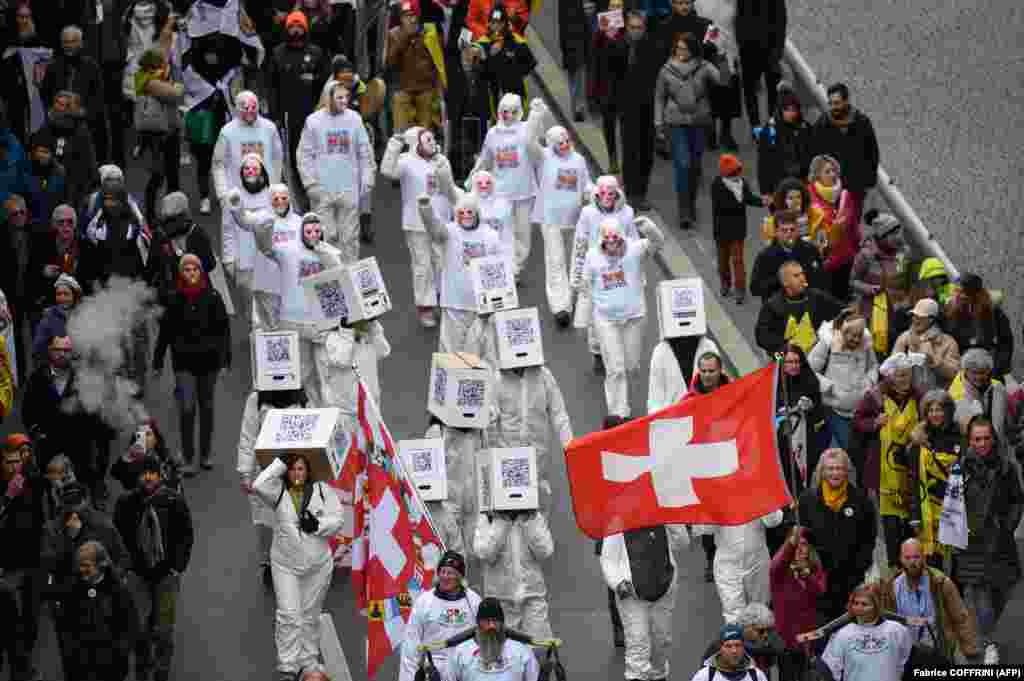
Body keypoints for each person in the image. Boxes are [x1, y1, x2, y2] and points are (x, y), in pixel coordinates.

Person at [253, 454, 345, 681]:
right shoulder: (278, 492)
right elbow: (258, 485)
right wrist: (279, 463)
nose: (296, 473)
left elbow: (338, 519)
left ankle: (307, 661)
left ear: (308, 471)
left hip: (318, 566)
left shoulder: (323, 490)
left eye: (301, 469)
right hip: (286, 566)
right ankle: (287, 666)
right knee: (289, 615)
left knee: (309, 616)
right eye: (292, 469)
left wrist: (318, 525)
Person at [948, 416, 1023, 665]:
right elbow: (952, 506)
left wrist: (1008, 526)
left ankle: (990, 632)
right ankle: (989, 642)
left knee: (1003, 591)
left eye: (986, 438)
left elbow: (1017, 500)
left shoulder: (1006, 467)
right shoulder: (959, 468)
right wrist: (956, 539)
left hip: (1001, 543)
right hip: (972, 545)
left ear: (993, 438)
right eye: (976, 439)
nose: (981, 443)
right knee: (981, 597)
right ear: (969, 440)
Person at [576, 217, 665, 424]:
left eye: (616, 240)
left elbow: (659, 243)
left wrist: (649, 228)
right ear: (602, 241)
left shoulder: (635, 250)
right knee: (615, 368)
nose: (612, 245)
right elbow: (585, 289)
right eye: (608, 241)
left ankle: (621, 404)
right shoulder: (592, 257)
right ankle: (618, 412)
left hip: (634, 318)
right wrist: (581, 320)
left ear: (622, 238)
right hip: (606, 320)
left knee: (631, 366)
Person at [113, 453, 193, 681]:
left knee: (164, 630)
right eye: (144, 473)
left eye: (153, 473)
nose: (148, 477)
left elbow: (185, 535)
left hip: (166, 574)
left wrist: (177, 567)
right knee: (139, 627)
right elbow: (118, 536)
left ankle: (161, 671)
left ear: (160, 476)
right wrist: (126, 567)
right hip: (138, 574)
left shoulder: (174, 501)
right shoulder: (126, 503)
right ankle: (143, 666)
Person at [152, 254, 232, 475]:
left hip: (209, 363)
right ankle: (188, 458)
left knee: (207, 408)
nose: (191, 273)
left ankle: (205, 454)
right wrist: (158, 362)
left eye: (195, 269)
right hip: (183, 364)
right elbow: (165, 333)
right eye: (186, 270)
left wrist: (226, 361)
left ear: (201, 272)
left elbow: (224, 331)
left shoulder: (213, 297)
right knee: (187, 409)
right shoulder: (174, 300)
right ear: (181, 273)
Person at [21, 334, 115, 503]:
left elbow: (96, 414)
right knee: (52, 494)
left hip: (79, 448)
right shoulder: (37, 378)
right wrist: (36, 433)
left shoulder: (84, 378)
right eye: (58, 349)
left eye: (67, 350)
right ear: (49, 351)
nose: (62, 354)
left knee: (80, 496)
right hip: (49, 448)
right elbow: (28, 411)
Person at [852, 351, 923, 565]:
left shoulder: (918, 396)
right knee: (890, 522)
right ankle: (894, 563)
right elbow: (858, 421)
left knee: (910, 519)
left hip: (911, 469)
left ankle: (911, 560)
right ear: (890, 376)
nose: (905, 380)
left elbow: (931, 416)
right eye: (900, 376)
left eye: (908, 375)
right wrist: (874, 423)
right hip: (883, 471)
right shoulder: (874, 396)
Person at [381, 126, 455, 328]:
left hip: (441, 220)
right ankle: (426, 306)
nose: (432, 143)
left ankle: (445, 300)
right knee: (423, 265)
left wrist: (456, 208)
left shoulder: (441, 160)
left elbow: (449, 188)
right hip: (416, 223)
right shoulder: (405, 162)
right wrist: (394, 146)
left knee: (443, 262)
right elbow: (387, 171)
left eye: (432, 139)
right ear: (416, 144)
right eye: (426, 140)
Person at [297, 80, 374, 264]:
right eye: (339, 97)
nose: (344, 101)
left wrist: (367, 176)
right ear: (328, 97)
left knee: (349, 237)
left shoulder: (354, 119)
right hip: (322, 188)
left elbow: (364, 150)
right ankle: (330, 277)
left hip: (348, 185)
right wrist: (310, 184)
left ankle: (350, 275)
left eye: (346, 97)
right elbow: (304, 155)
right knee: (326, 237)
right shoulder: (314, 121)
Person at [417, 190, 503, 354]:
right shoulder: (450, 231)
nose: (466, 216)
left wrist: (494, 305)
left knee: (483, 352)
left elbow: (498, 273)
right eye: (461, 213)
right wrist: (425, 208)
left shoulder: (491, 236)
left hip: (481, 306)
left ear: (477, 213)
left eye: (470, 212)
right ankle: (450, 379)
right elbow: (434, 228)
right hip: (453, 303)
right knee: (450, 352)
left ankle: (484, 379)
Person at [237, 388, 309, 584]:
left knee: (294, 518)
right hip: (266, 473)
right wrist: (245, 472)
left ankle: (293, 561)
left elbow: (313, 434)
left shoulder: (302, 396)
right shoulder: (257, 399)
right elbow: (248, 435)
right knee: (267, 522)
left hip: (295, 472)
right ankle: (268, 563)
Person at [527, 113, 593, 326]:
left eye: (567, 141)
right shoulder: (543, 157)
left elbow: (586, 185)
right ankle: (561, 307)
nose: (565, 145)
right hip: (550, 220)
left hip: (574, 220)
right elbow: (529, 142)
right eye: (560, 143)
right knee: (555, 262)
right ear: (552, 144)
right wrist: (535, 117)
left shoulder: (579, 160)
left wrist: (595, 193)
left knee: (575, 261)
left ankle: (575, 299)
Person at [654, 32, 724, 230]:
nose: (681, 52)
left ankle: (691, 207)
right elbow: (659, 97)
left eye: (685, 48)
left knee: (694, 165)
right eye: (678, 48)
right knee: (682, 164)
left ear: (693, 50)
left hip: (698, 121)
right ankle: (684, 211)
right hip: (675, 122)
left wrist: (722, 57)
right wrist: (658, 123)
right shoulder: (666, 70)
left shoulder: (703, 66)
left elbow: (723, 80)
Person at [797, 449, 877, 621]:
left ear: (846, 471)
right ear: (822, 471)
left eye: (839, 468)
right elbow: (803, 539)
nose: (835, 473)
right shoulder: (807, 500)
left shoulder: (862, 501)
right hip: (819, 580)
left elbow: (868, 538)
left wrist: (860, 567)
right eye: (830, 468)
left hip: (851, 580)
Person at [601, 523, 689, 681]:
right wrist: (617, 582)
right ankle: (636, 675)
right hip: (631, 595)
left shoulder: (662, 517)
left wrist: (672, 520)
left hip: (664, 589)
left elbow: (682, 543)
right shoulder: (617, 521)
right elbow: (608, 558)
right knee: (638, 641)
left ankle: (659, 674)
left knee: (661, 640)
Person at [212, 90, 284, 278]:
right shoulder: (227, 131)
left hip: (264, 192)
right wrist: (222, 192)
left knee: (267, 227)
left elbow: (277, 158)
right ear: (237, 108)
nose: (250, 112)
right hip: (236, 191)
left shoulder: (269, 128)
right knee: (231, 225)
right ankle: (231, 259)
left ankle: (270, 264)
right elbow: (218, 164)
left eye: (254, 107)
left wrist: (275, 185)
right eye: (245, 108)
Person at [469, 92, 541, 279]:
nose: (508, 115)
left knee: (523, 233)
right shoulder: (493, 133)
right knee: (502, 232)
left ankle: (517, 266)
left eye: (512, 111)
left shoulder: (527, 130)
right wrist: (473, 176)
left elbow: (539, 155)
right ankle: (503, 267)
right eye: (504, 111)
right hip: (500, 192)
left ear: (519, 112)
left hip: (524, 191)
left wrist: (536, 116)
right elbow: (485, 158)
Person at [879, 538, 980, 665]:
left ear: (924, 557)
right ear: (900, 559)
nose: (912, 562)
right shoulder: (891, 587)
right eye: (907, 557)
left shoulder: (941, 583)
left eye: (916, 557)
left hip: (938, 651)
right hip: (906, 654)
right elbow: (886, 620)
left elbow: (960, 618)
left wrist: (969, 649)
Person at [48, 541, 138, 681]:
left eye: (86, 565)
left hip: (111, 668)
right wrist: (70, 655)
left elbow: (131, 626)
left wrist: (119, 653)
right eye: (79, 565)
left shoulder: (118, 592)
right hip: (79, 668)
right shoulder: (71, 590)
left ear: (101, 565)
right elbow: (63, 626)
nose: (81, 570)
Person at [265, 10, 330, 201]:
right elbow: (271, 86)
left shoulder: (316, 52)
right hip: (287, 115)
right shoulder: (277, 53)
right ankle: (296, 195)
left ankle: (315, 189)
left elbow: (326, 81)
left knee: (314, 152)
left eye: (299, 26)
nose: (295, 30)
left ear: (305, 28)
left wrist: (314, 79)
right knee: (291, 156)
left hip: (312, 114)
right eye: (291, 26)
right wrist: (275, 115)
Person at [0, 438, 46, 681]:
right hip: (8, 565)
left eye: (17, 462)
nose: (13, 468)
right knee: (10, 618)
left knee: (31, 619)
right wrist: (8, 496)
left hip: (33, 560)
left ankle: (24, 660)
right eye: (8, 463)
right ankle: (20, 667)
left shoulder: (34, 482)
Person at [400, 550, 482, 681]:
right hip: (434, 670)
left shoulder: (474, 601)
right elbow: (411, 646)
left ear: (460, 577)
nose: (445, 577)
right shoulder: (424, 601)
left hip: (466, 668)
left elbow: (484, 640)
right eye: (442, 572)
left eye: (450, 573)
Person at [474, 508, 555, 640]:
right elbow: (485, 553)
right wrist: (501, 522)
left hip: (532, 599)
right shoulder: (487, 516)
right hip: (501, 602)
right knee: (506, 654)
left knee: (539, 649)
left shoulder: (533, 517)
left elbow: (545, 551)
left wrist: (529, 522)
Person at [811, 83, 879, 232]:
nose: (833, 107)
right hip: (831, 187)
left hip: (856, 186)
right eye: (831, 103)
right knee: (834, 224)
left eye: (837, 103)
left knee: (853, 223)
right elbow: (814, 156)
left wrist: (869, 181)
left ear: (846, 101)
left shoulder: (862, 123)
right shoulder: (822, 125)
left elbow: (872, 153)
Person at [808, 308, 877, 452]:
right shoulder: (827, 343)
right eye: (853, 336)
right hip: (834, 410)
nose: (857, 340)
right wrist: (830, 387)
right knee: (847, 449)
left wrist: (869, 383)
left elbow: (873, 366)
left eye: (859, 335)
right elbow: (810, 370)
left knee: (859, 452)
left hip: (860, 410)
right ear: (844, 331)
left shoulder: (866, 344)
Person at [906, 390, 961, 568]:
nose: (935, 414)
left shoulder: (960, 436)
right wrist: (914, 516)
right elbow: (913, 479)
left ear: (948, 411)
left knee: (957, 563)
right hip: (928, 508)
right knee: (932, 564)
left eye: (939, 409)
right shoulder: (919, 440)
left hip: (956, 507)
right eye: (931, 410)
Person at [700, 508, 783, 624]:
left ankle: (760, 641)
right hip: (728, 562)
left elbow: (774, 521)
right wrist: (713, 508)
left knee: (760, 610)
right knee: (733, 613)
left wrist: (762, 499)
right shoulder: (715, 493)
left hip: (757, 560)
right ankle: (737, 640)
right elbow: (705, 529)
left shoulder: (759, 490)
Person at [40, 26, 107, 168]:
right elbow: (44, 95)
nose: (69, 45)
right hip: (57, 128)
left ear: (81, 43)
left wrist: (82, 112)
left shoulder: (92, 67)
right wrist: (52, 112)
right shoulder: (53, 66)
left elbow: (98, 99)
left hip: (85, 127)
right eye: (65, 42)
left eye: (73, 41)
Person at [131, 46, 184, 226]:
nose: (166, 62)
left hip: (167, 131)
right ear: (155, 64)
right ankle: (152, 215)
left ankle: (172, 211)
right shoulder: (149, 81)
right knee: (159, 175)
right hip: (158, 134)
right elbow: (175, 94)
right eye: (163, 60)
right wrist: (177, 81)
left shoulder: (154, 77)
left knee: (171, 174)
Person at [769, 526, 826, 681]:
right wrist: (790, 544)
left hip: (810, 640)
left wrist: (807, 576)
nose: (801, 548)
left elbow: (820, 591)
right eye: (796, 544)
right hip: (787, 641)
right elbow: (776, 564)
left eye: (804, 544)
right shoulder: (779, 572)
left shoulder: (815, 569)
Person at [775, 343, 829, 505]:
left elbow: (820, 414)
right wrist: (779, 412)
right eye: (789, 362)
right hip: (781, 442)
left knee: (802, 481)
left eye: (796, 362)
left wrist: (810, 407)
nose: (793, 366)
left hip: (804, 442)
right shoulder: (775, 383)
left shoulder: (810, 381)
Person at [754, 259, 842, 356]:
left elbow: (841, 312)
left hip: (816, 355)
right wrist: (788, 350)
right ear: (785, 282)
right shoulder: (771, 306)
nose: (802, 278)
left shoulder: (817, 297)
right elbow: (762, 337)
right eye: (796, 276)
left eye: (802, 274)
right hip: (784, 357)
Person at [710, 153, 767, 304]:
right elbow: (726, 206)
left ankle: (740, 288)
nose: (737, 176)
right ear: (726, 174)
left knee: (738, 260)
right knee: (723, 261)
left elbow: (749, 198)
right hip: (721, 231)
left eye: (738, 171)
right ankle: (725, 283)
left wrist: (762, 201)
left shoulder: (742, 184)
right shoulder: (717, 185)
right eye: (734, 173)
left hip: (737, 231)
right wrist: (741, 201)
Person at [619, 11, 660, 212]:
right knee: (630, 151)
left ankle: (641, 192)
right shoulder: (617, 45)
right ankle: (631, 192)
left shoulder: (651, 46)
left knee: (646, 152)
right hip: (627, 107)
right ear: (626, 27)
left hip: (648, 107)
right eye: (632, 27)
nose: (636, 31)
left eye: (639, 28)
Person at [147, 191, 218, 305]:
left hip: (194, 294)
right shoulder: (160, 236)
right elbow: (151, 267)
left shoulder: (197, 234)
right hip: (172, 297)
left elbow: (210, 263)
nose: (168, 226)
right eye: (166, 221)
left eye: (172, 220)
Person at [387, 0, 446, 134]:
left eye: (414, 15)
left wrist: (437, 88)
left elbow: (438, 63)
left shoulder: (429, 33)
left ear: (419, 16)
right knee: (400, 135)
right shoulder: (393, 34)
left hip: (425, 89)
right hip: (403, 89)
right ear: (401, 18)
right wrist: (404, 37)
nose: (411, 19)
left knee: (424, 134)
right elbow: (389, 63)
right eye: (407, 16)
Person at [805, 154, 858, 301]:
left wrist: (856, 246)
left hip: (846, 257)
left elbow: (853, 224)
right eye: (827, 171)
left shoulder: (844, 195)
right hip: (826, 263)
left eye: (834, 170)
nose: (833, 174)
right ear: (817, 176)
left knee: (844, 299)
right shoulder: (810, 200)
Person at [449, 597, 540, 681]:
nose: (491, 626)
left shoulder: (521, 651)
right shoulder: (461, 652)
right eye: (487, 621)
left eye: (495, 621)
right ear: (478, 623)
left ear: (502, 623)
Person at [944, 273, 1014, 379]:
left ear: (976, 294)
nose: (959, 296)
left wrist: (998, 369)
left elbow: (1006, 343)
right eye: (957, 291)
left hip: (989, 368)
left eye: (963, 292)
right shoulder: (951, 311)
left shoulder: (993, 312)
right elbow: (949, 338)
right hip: (963, 369)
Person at [749, 211, 825, 302]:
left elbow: (822, 280)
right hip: (778, 309)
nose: (789, 234)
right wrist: (782, 279)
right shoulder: (765, 256)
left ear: (797, 230)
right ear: (776, 232)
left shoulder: (811, 250)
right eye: (784, 230)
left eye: (792, 230)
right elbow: (755, 288)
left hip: (807, 305)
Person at [42, 90, 98, 206]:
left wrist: (90, 187)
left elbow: (88, 159)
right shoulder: (48, 126)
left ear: (70, 108)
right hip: (51, 181)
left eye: (62, 105)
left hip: (74, 185)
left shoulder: (80, 130)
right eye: (56, 103)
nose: (57, 107)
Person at [477, 6, 537, 112]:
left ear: (505, 23)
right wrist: (488, 57)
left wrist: (515, 75)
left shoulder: (517, 42)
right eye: (493, 22)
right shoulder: (483, 43)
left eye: (499, 23)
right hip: (494, 98)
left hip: (516, 96)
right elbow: (480, 71)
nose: (495, 26)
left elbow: (530, 63)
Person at [755, 83, 812, 196]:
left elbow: (813, 153)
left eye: (794, 109)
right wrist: (765, 192)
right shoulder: (770, 130)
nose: (791, 113)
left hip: (802, 183)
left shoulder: (805, 127)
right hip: (780, 185)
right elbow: (764, 164)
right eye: (787, 110)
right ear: (780, 110)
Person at [701, 603, 785, 678]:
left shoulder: (766, 644)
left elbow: (780, 646)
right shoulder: (723, 645)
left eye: (769, 630)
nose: (766, 635)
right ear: (746, 627)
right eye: (761, 631)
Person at [891, 299, 959, 391]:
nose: (915, 320)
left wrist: (935, 362)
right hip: (910, 397)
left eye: (920, 317)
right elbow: (892, 368)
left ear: (931, 319)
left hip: (936, 399)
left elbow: (954, 373)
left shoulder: (948, 342)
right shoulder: (904, 338)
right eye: (914, 316)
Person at [949, 348, 1009, 439]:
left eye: (982, 372)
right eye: (974, 373)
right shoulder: (956, 395)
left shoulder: (998, 387)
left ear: (989, 370)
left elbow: (1003, 425)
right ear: (965, 370)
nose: (978, 377)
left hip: (997, 444)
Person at [688, 622, 769, 681]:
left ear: (743, 647)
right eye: (728, 646)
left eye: (737, 645)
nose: (734, 651)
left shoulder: (757, 676)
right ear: (720, 648)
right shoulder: (705, 676)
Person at [31, 273, 82, 361]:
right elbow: (37, 350)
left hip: (81, 368)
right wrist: (54, 349)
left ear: (75, 296)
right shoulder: (48, 318)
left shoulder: (83, 314)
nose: (62, 298)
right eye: (58, 294)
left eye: (66, 294)